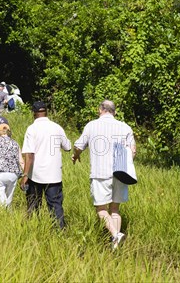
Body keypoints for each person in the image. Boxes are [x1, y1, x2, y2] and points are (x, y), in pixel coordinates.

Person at [72, 100, 136, 250]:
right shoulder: (125, 127)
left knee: (101, 209)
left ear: (100, 109)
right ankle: (116, 245)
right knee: (115, 209)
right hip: (121, 172)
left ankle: (116, 235)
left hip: (100, 172)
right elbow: (133, 151)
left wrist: (76, 155)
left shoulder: (92, 125)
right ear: (115, 111)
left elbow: (78, 146)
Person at [21, 101, 71, 229]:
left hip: (35, 174)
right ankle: (59, 232)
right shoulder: (57, 127)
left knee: (33, 204)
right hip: (54, 174)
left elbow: (30, 155)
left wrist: (25, 175)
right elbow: (68, 147)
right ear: (46, 112)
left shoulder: (32, 129)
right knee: (55, 205)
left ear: (34, 113)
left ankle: (33, 228)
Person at [0, 123, 24, 208]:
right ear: (9, 132)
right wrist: (26, 175)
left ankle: (5, 216)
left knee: (2, 201)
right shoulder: (15, 143)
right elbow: (21, 161)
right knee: (8, 200)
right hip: (13, 175)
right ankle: (10, 216)